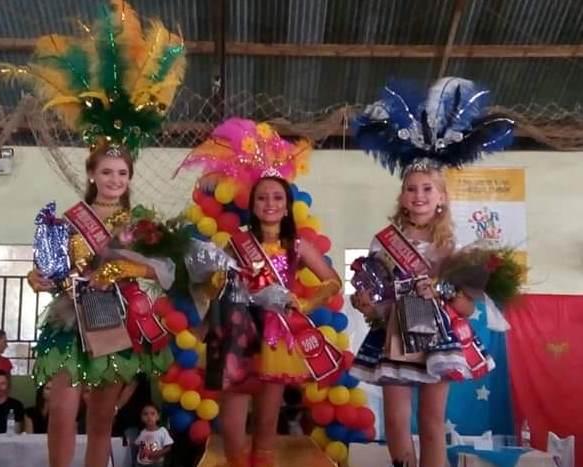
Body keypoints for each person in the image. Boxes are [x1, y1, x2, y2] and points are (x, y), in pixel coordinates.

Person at [15, 3, 187, 466]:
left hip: (117, 320)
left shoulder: (143, 219)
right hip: (70, 319)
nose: (114, 179)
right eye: (107, 172)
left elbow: (163, 269)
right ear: (92, 173)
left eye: (121, 173)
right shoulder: (70, 218)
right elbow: (53, 269)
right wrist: (40, 276)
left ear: (129, 177)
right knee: (63, 408)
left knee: (103, 417)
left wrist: (121, 267)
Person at [350, 77, 515, 467]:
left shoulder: (453, 250)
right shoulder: (382, 242)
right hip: (392, 333)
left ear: (440, 198)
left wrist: (438, 290)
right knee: (394, 421)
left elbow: (466, 309)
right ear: (402, 196)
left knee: (430, 421)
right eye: (412, 189)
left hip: (435, 335)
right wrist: (364, 305)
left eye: (427, 189)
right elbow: (371, 296)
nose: (419, 196)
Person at [179, 119, 342, 467]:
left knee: (268, 423)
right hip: (236, 334)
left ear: (286, 205)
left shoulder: (298, 245)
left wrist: (307, 301)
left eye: (277, 197)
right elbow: (214, 289)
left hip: (276, 338)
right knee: (233, 423)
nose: (270, 203)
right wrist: (215, 283)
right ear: (252, 205)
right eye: (263, 197)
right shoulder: (235, 243)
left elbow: (333, 282)